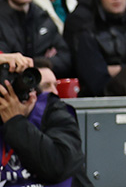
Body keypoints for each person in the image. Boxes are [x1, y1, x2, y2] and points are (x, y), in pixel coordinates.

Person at [0, 51, 90, 186]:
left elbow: (58, 166)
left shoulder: (53, 110)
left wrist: (15, 121)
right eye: (47, 85)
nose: (54, 92)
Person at [0, 0, 72, 77]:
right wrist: (45, 59)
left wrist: (34, 63)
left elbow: (65, 59)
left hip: (45, 82)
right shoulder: (2, 21)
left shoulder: (43, 17)